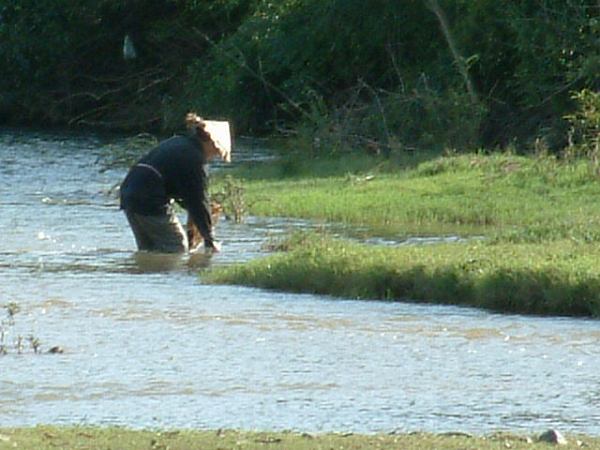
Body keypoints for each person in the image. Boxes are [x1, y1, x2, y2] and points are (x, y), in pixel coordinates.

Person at [120, 113, 231, 253]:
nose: (214, 155)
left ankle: (147, 273)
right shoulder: (194, 158)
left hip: (129, 192)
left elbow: (187, 196)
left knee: (149, 251)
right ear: (209, 141)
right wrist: (210, 240)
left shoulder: (180, 143)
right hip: (149, 197)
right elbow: (197, 201)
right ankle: (168, 275)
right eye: (216, 150)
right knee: (176, 247)